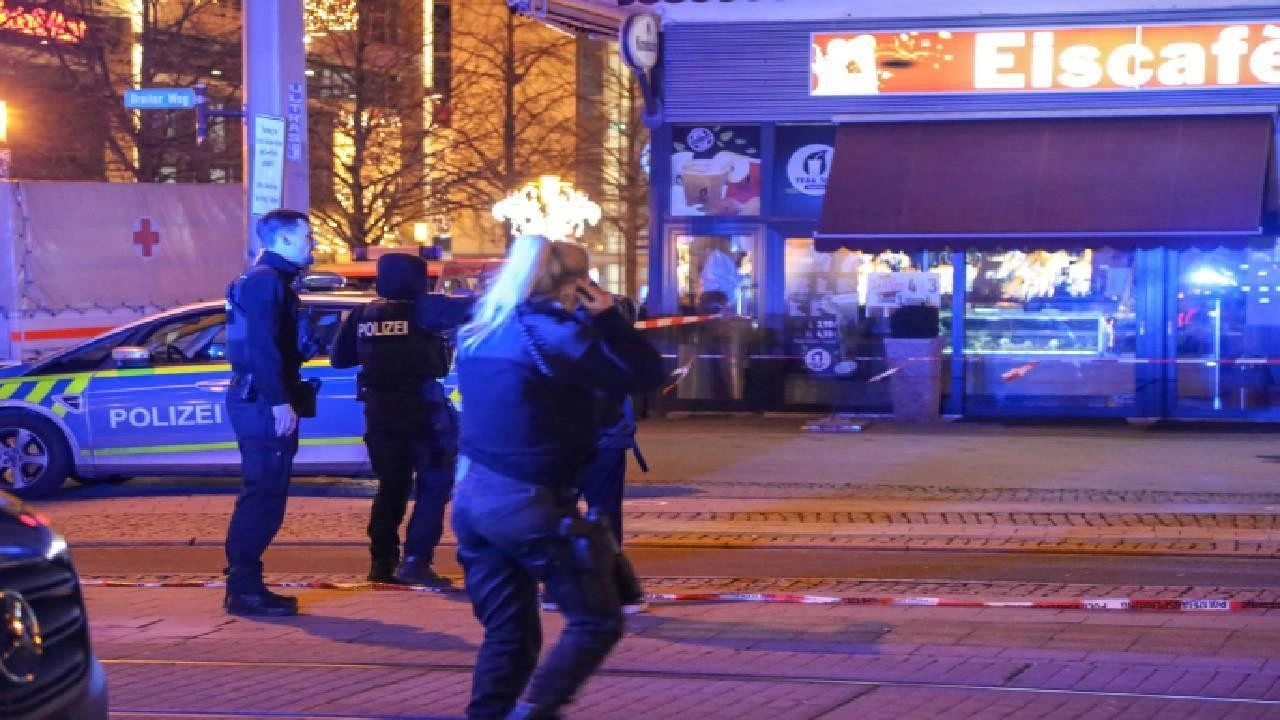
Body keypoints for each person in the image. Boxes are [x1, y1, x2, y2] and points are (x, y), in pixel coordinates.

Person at [451, 235, 665, 720]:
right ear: (578, 284)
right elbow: (646, 374)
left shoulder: (481, 330)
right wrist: (608, 318)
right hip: (530, 502)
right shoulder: (557, 335)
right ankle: (535, 712)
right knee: (596, 621)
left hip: (473, 500)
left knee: (510, 633)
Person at [329, 252, 474, 587]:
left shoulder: (363, 313)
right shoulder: (425, 308)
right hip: (424, 413)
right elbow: (474, 308)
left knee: (391, 487)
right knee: (433, 485)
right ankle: (416, 561)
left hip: (380, 413)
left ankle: (382, 563)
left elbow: (340, 359)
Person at [222, 209, 316, 617]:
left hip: (258, 398)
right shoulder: (266, 282)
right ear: (284, 240)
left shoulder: (264, 279)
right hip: (261, 402)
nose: (312, 244)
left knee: (265, 494)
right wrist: (279, 401)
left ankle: (246, 586)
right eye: (307, 237)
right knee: (263, 496)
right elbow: (262, 347)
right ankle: (244, 589)